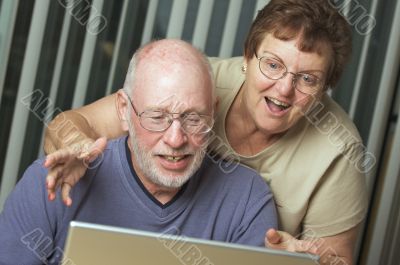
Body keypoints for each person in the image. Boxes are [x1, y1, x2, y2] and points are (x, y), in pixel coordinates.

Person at [43, 0, 368, 264]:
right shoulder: (195, 84)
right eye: (272, 64)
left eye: (307, 79)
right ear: (247, 57)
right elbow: (71, 124)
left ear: (325, 89)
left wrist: (294, 261)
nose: (284, 89)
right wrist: (78, 149)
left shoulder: (338, 151)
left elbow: (336, 260)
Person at [0, 39, 278, 265]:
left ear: (213, 112)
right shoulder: (50, 183)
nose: (175, 139)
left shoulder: (246, 201)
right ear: (123, 110)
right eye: (157, 117)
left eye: (193, 118)